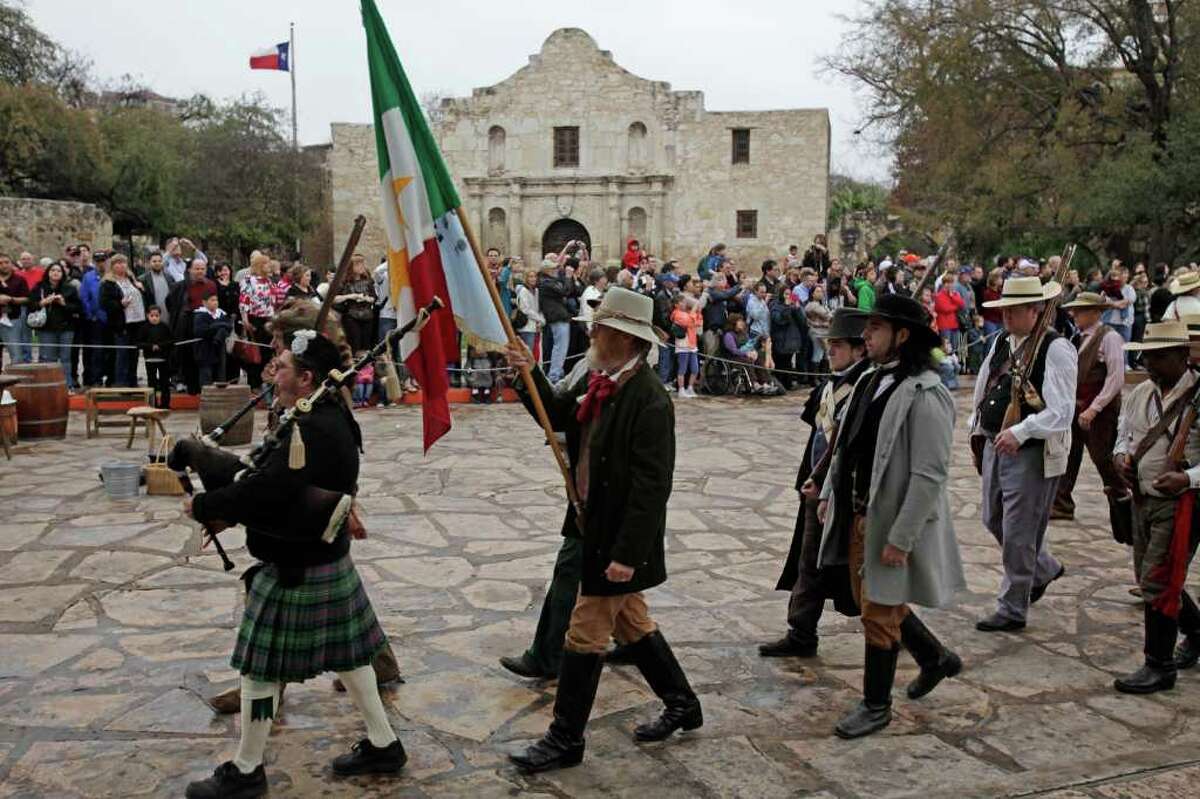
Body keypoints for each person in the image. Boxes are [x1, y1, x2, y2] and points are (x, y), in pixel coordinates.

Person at [183, 332, 405, 798]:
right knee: (352, 659)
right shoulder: (318, 416)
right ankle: (384, 744)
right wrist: (210, 462)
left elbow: (267, 492)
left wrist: (206, 505)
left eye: (281, 366)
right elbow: (265, 475)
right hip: (320, 558)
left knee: (259, 671)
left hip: (297, 564)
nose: (272, 372)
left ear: (306, 378)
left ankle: (246, 771)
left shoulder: (316, 427)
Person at [505, 287, 701, 773]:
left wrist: (628, 554)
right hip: (591, 525)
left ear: (625, 339)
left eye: (601, 327)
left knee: (585, 630)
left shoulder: (650, 401)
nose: (591, 332)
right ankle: (683, 702)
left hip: (617, 538)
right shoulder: (600, 381)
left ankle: (565, 738)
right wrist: (526, 373)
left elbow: (652, 487)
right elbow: (557, 417)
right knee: (632, 621)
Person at [816, 294, 965, 738]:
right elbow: (847, 446)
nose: (865, 335)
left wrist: (901, 538)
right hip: (859, 512)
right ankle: (936, 657)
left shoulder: (926, 393)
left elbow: (928, 474)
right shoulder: (869, 379)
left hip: (889, 520)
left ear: (903, 336)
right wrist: (829, 493)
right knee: (877, 599)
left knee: (877, 613)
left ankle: (876, 705)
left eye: (876, 327)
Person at [760, 309, 871, 658]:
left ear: (859, 350)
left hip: (847, 493)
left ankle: (908, 637)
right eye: (829, 345)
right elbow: (819, 438)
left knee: (862, 572)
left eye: (838, 345)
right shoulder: (828, 387)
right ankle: (801, 632)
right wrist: (811, 480)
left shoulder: (867, 388)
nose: (831, 351)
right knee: (809, 564)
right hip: (815, 488)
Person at [971, 276, 1077, 632]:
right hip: (994, 442)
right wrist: (977, 427)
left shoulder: (1056, 348)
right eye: (1004, 310)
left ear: (1036, 311)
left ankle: (1013, 606)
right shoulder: (1003, 340)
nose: (1006, 317)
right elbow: (986, 385)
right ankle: (1043, 567)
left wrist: (1022, 431)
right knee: (992, 518)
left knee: (1019, 531)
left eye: (1014, 310)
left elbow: (1061, 411)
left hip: (1031, 451)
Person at [1112, 320, 1200, 694]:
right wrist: (1121, 458)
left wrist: (1188, 479)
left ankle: (1159, 664)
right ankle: (1197, 632)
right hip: (1142, 498)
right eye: (1147, 356)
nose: (1150, 363)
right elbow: (1123, 434)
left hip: (1183, 503)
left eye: (1160, 356)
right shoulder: (1140, 394)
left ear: (1183, 356)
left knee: (1159, 580)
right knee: (1152, 577)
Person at [1051, 293, 1131, 544]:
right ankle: (1062, 502)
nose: (1075, 315)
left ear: (1096, 312)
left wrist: (1094, 408)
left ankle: (1123, 498)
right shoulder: (1077, 337)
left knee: (1102, 456)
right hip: (1075, 407)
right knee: (1069, 453)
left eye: (1080, 311)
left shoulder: (1110, 337)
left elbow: (1116, 378)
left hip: (1100, 411)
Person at [28, 262, 81, 387]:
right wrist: (44, 302)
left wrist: (63, 303)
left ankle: (67, 385)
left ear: (63, 274)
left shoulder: (69, 288)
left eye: (58, 270)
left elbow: (78, 308)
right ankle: (46, 385)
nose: (55, 273)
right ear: (48, 273)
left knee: (65, 358)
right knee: (47, 358)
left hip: (66, 328)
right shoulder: (39, 287)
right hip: (46, 328)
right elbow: (31, 305)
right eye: (52, 270)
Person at [238, 253, 276, 390]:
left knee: (268, 351)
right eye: (266, 263)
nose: (269, 266)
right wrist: (245, 318)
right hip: (255, 319)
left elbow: (272, 300)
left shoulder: (269, 281)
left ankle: (265, 381)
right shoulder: (249, 280)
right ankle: (254, 384)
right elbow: (244, 299)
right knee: (255, 352)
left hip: (269, 318)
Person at [538, 257, 576, 382]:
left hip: (561, 317)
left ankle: (557, 372)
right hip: (557, 317)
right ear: (547, 270)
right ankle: (554, 375)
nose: (556, 270)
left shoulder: (551, 280)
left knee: (561, 347)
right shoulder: (546, 282)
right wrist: (569, 276)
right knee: (560, 347)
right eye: (553, 268)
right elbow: (565, 291)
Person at [334, 254, 377, 353]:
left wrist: (367, 299)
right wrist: (350, 296)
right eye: (358, 264)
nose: (362, 266)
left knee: (366, 345)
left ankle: (366, 366)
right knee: (355, 344)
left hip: (367, 315)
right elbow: (334, 299)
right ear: (351, 267)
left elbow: (374, 298)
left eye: (362, 263)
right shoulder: (344, 282)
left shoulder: (368, 281)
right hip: (351, 316)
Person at [193, 292, 232, 388]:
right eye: (212, 300)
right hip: (205, 350)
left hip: (219, 350)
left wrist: (218, 326)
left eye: (216, 300)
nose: (215, 302)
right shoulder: (200, 315)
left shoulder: (221, 314)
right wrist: (219, 325)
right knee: (206, 377)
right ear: (204, 302)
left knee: (220, 376)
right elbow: (200, 331)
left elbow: (229, 327)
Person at [138, 306, 173, 408]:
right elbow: (139, 343)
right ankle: (152, 404)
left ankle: (165, 404)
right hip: (150, 360)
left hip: (163, 359)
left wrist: (160, 346)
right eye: (152, 315)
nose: (154, 318)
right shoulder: (144, 328)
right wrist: (150, 347)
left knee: (165, 383)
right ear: (147, 315)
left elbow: (171, 341)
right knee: (151, 383)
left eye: (156, 316)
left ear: (160, 316)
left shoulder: (165, 327)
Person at [0, 254, 31, 368]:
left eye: (6, 262)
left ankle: (17, 384)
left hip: (12, 320)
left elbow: (27, 298)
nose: (4, 265)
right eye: (1, 263)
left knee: (16, 354)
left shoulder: (19, 280)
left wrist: (11, 299)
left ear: (11, 264)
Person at [670, 293, 703, 398]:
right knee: (682, 368)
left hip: (692, 344)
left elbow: (698, 322)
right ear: (676, 304)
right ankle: (681, 389)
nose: (685, 304)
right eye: (682, 302)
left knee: (695, 368)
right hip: (682, 345)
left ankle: (690, 387)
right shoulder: (676, 314)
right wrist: (693, 312)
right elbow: (688, 321)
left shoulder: (687, 313)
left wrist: (696, 311)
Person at [514, 269, 545, 354]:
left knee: (534, 353)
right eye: (531, 277)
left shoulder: (536, 291)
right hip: (526, 326)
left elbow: (538, 308)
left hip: (535, 326)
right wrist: (540, 319)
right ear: (526, 278)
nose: (533, 279)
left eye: (535, 276)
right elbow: (526, 309)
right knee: (527, 353)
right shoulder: (523, 291)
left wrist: (540, 322)